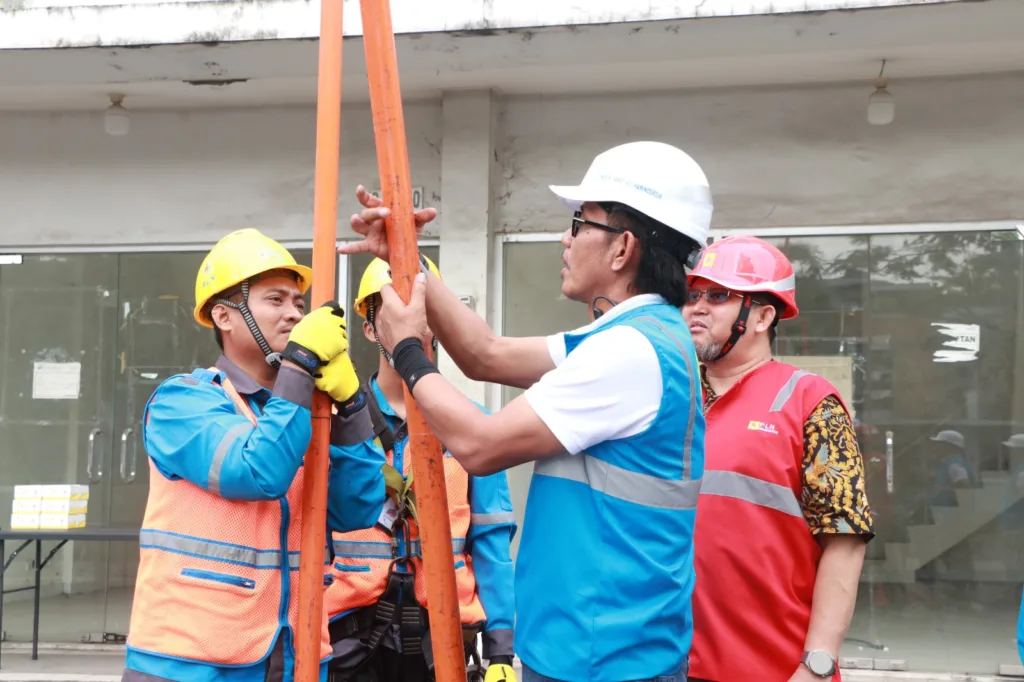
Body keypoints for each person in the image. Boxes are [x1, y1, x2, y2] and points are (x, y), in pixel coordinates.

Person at [339, 140, 711, 682]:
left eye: (581, 223)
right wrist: (407, 257)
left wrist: (407, 351)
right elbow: (484, 353)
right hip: (594, 645)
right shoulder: (635, 336)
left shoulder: (630, 353)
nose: (566, 238)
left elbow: (480, 447)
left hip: (601, 659)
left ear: (622, 247)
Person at [122, 228, 387, 682]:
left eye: (299, 305)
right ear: (224, 316)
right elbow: (256, 472)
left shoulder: (305, 408)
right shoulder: (180, 403)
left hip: (293, 657)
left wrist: (349, 405)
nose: (294, 315)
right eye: (275, 300)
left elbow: (358, 507)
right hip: (188, 661)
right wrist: (301, 366)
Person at [680, 235, 874, 682]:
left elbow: (844, 539)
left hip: (773, 668)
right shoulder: (672, 397)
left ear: (764, 315)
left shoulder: (810, 402)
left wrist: (817, 664)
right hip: (666, 664)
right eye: (692, 295)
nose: (697, 307)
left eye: (719, 295)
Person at [324, 257, 517, 682]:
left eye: (425, 314)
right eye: (395, 313)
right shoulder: (337, 423)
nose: (414, 325)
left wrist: (501, 651)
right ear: (371, 328)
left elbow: (490, 539)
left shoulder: (469, 425)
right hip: (348, 642)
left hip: (441, 644)